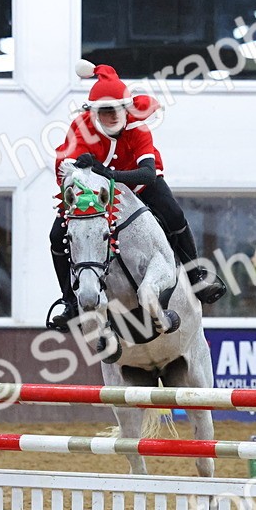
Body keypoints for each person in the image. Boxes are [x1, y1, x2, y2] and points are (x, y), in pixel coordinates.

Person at [46, 61, 225, 331]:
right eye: (105, 111)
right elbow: (64, 171)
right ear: (93, 113)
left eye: (117, 108)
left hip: (140, 186)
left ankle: (195, 276)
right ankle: (69, 301)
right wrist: (82, 175)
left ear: (126, 107)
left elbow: (148, 174)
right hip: (95, 195)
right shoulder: (80, 128)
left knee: (174, 214)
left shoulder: (138, 128)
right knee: (56, 236)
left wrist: (109, 174)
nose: (112, 116)